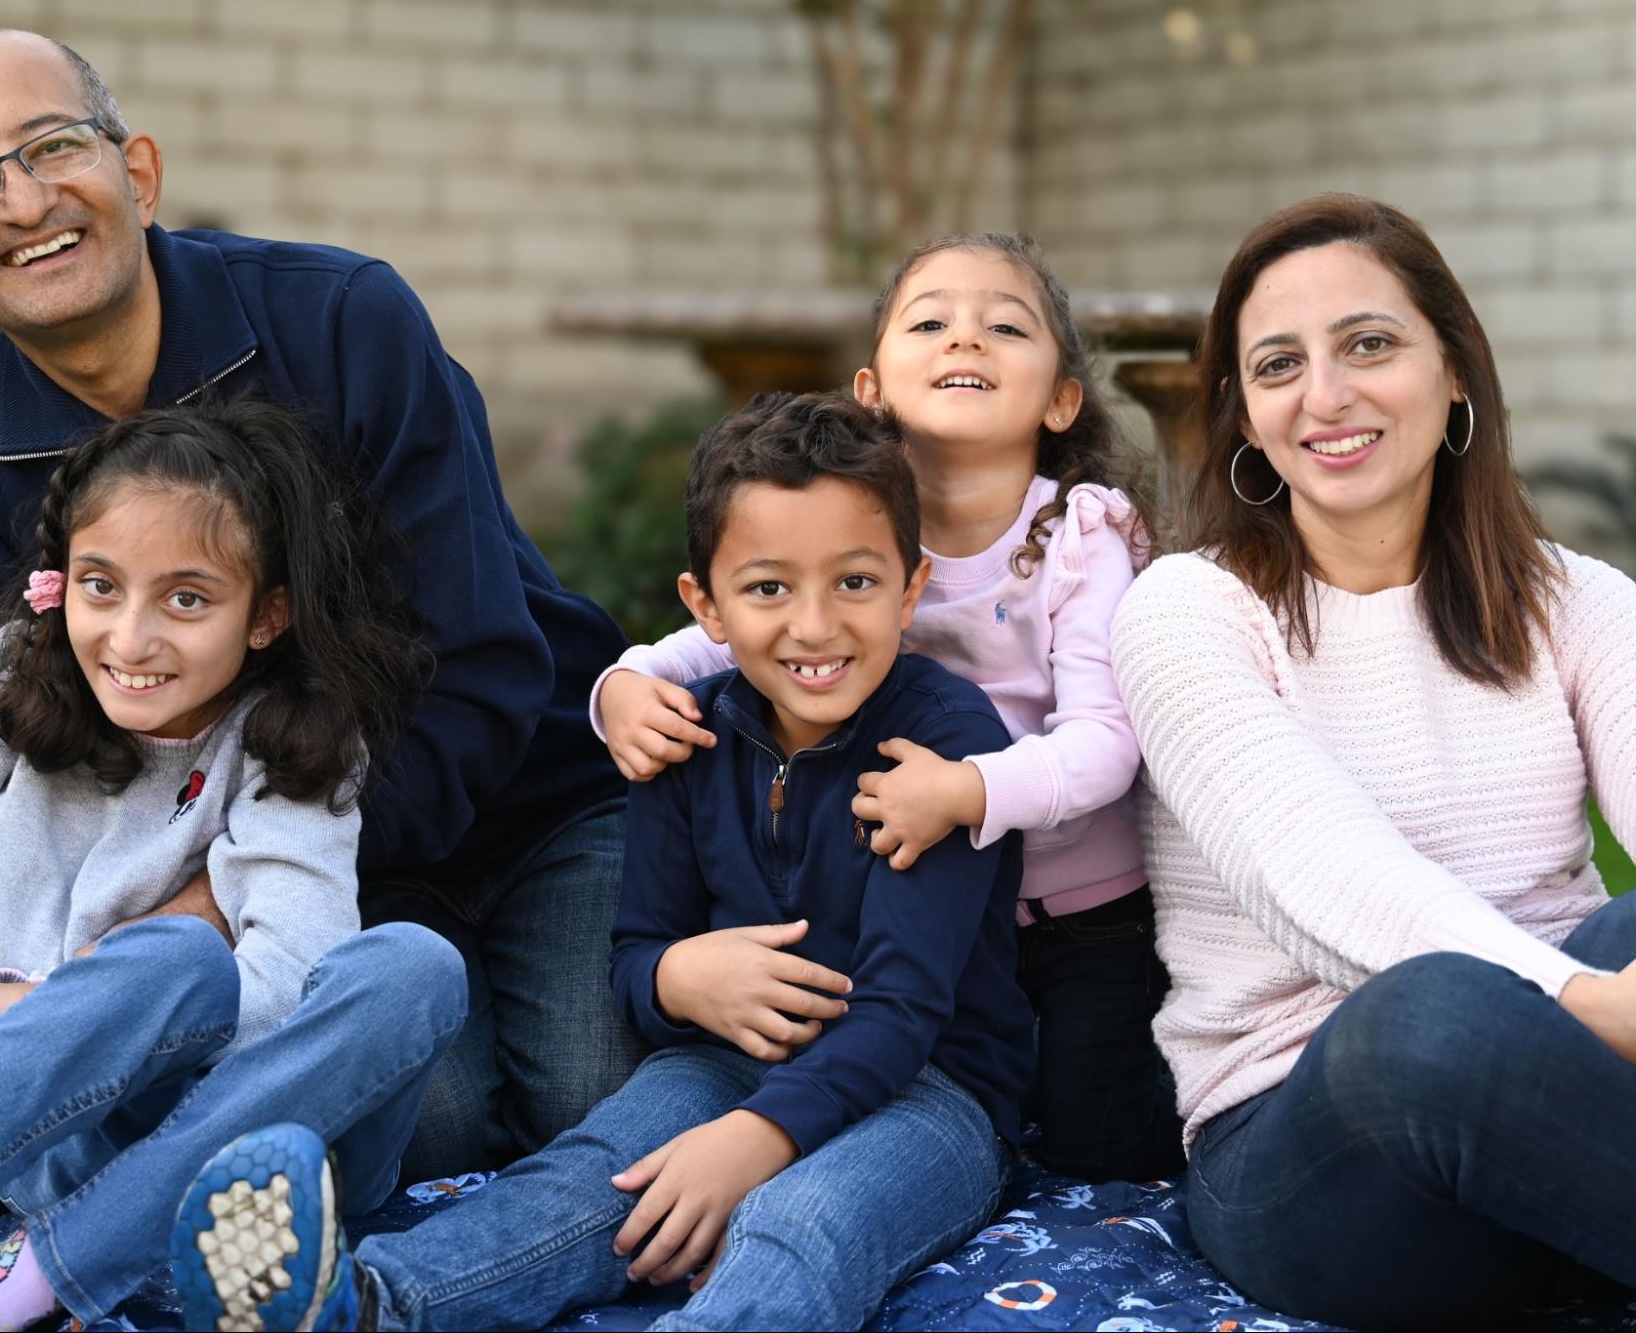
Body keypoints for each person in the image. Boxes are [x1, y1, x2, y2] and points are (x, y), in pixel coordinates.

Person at [0, 29, 639, 1179]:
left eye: (51, 146)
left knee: (594, 1093)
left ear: (137, 173)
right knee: (422, 1123)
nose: (23, 200)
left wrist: (204, 915)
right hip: (287, 876)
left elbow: (480, 668)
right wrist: (76, 967)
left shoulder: (344, 322)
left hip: (525, 803)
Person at [168, 391, 1036, 1332]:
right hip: (728, 1062)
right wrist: (674, 975)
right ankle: (367, 1305)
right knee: (593, 1174)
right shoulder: (678, 736)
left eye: (855, 583)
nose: (815, 626)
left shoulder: (941, 749)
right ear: (704, 605)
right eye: (769, 588)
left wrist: (757, 1141)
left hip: (933, 1091)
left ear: (911, 587)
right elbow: (631, 962)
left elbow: (905, 1007)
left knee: (799, 1220)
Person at [0, 398, 463, 1333]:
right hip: (25, 1119)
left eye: (186, 599)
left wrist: (32, 1002)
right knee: (178, 958)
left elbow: (290, 988)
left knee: (415, 967)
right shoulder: (10, 676)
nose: (130, 638)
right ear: (58, 580)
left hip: (237, 1155)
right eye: (100, 586)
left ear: (267, 615)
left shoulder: (294, 741)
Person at [1109, 193, 1636, 1328]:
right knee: (1429, 1015)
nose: (1325, 396)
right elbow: (1318, 878)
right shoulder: (1187, 613)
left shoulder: (1580, 602)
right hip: (1325, 1157)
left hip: (1585, 1145)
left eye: (1369, 345)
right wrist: (1596, 1008)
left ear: (1454, 374)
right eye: (1278, 364)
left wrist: (1630, 994)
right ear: (1241, 416)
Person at [594, 233, 1179, 1181]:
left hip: (1072, 911)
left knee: (1091, 1140)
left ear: (1062, 397)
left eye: (1003, 326)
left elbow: (1107, 745)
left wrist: (965, 791)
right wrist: (621, 684)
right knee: (902, 1066)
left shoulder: (1074, 536)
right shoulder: (847, 527)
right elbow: (725, 629)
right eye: (932, 322)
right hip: (911, 893)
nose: (966, 341)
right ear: (871, 388)